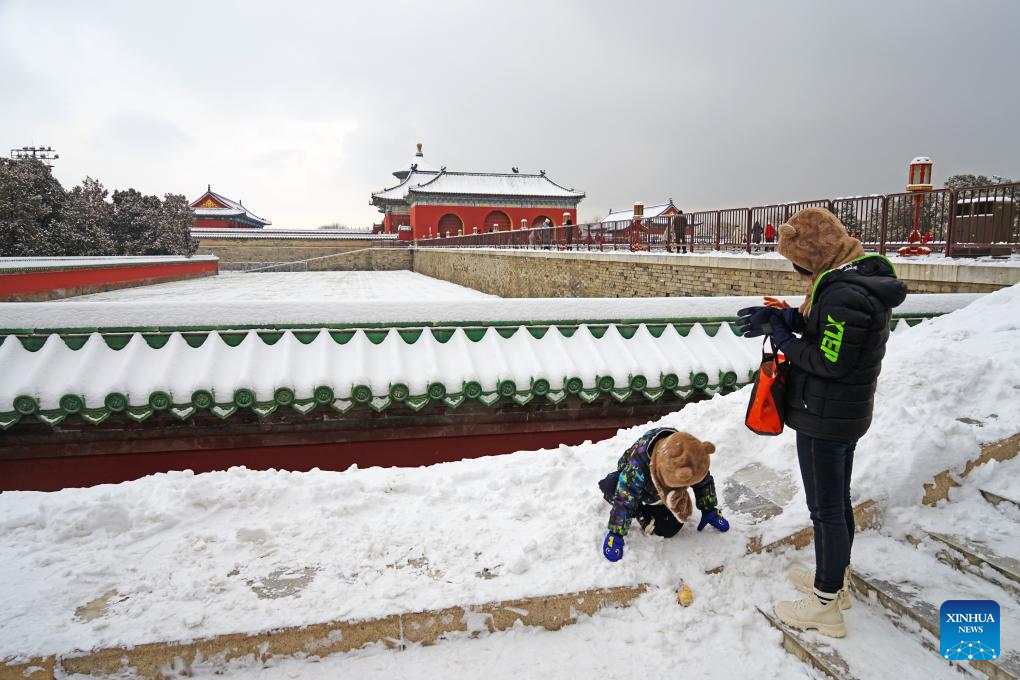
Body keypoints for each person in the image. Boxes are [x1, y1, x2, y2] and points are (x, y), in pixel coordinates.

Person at [737, 207, 907, 638]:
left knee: (825, 509)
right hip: (842, 411)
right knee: (837, 501)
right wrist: (783, 318)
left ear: (811, 253)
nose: (795, 270)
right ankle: (839, 581)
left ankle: (825, 601)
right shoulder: (855, 278)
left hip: (826, 415)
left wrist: (782, 339)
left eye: (796, 259)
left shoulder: (841, 292)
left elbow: (828, 359)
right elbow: (827, 329)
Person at [599, 429, 729, 562]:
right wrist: (616, 532)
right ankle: (639, 511)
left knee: (669, 529)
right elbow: (624, 498)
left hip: (664, 495)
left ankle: (657, 508)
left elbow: (703, 480)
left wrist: (709, 509)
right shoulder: (637, 467)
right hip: (641, 486)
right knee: (610, 486)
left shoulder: (690, 451)